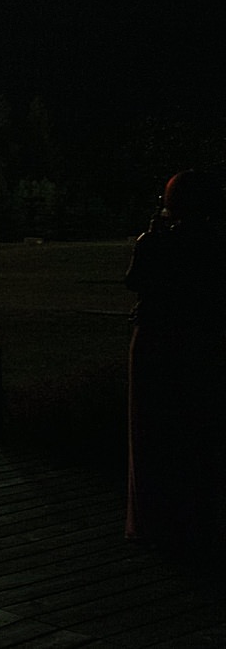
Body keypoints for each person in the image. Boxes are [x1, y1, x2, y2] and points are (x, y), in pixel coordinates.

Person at [124, 168, 225, 560]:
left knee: (153, 430)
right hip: (205, 343)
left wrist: (148, 239)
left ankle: (157, 521)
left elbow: (135, 280)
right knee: (199, 430)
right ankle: (198, 520)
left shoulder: (160, 243)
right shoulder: (216, 242)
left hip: (158, 344)